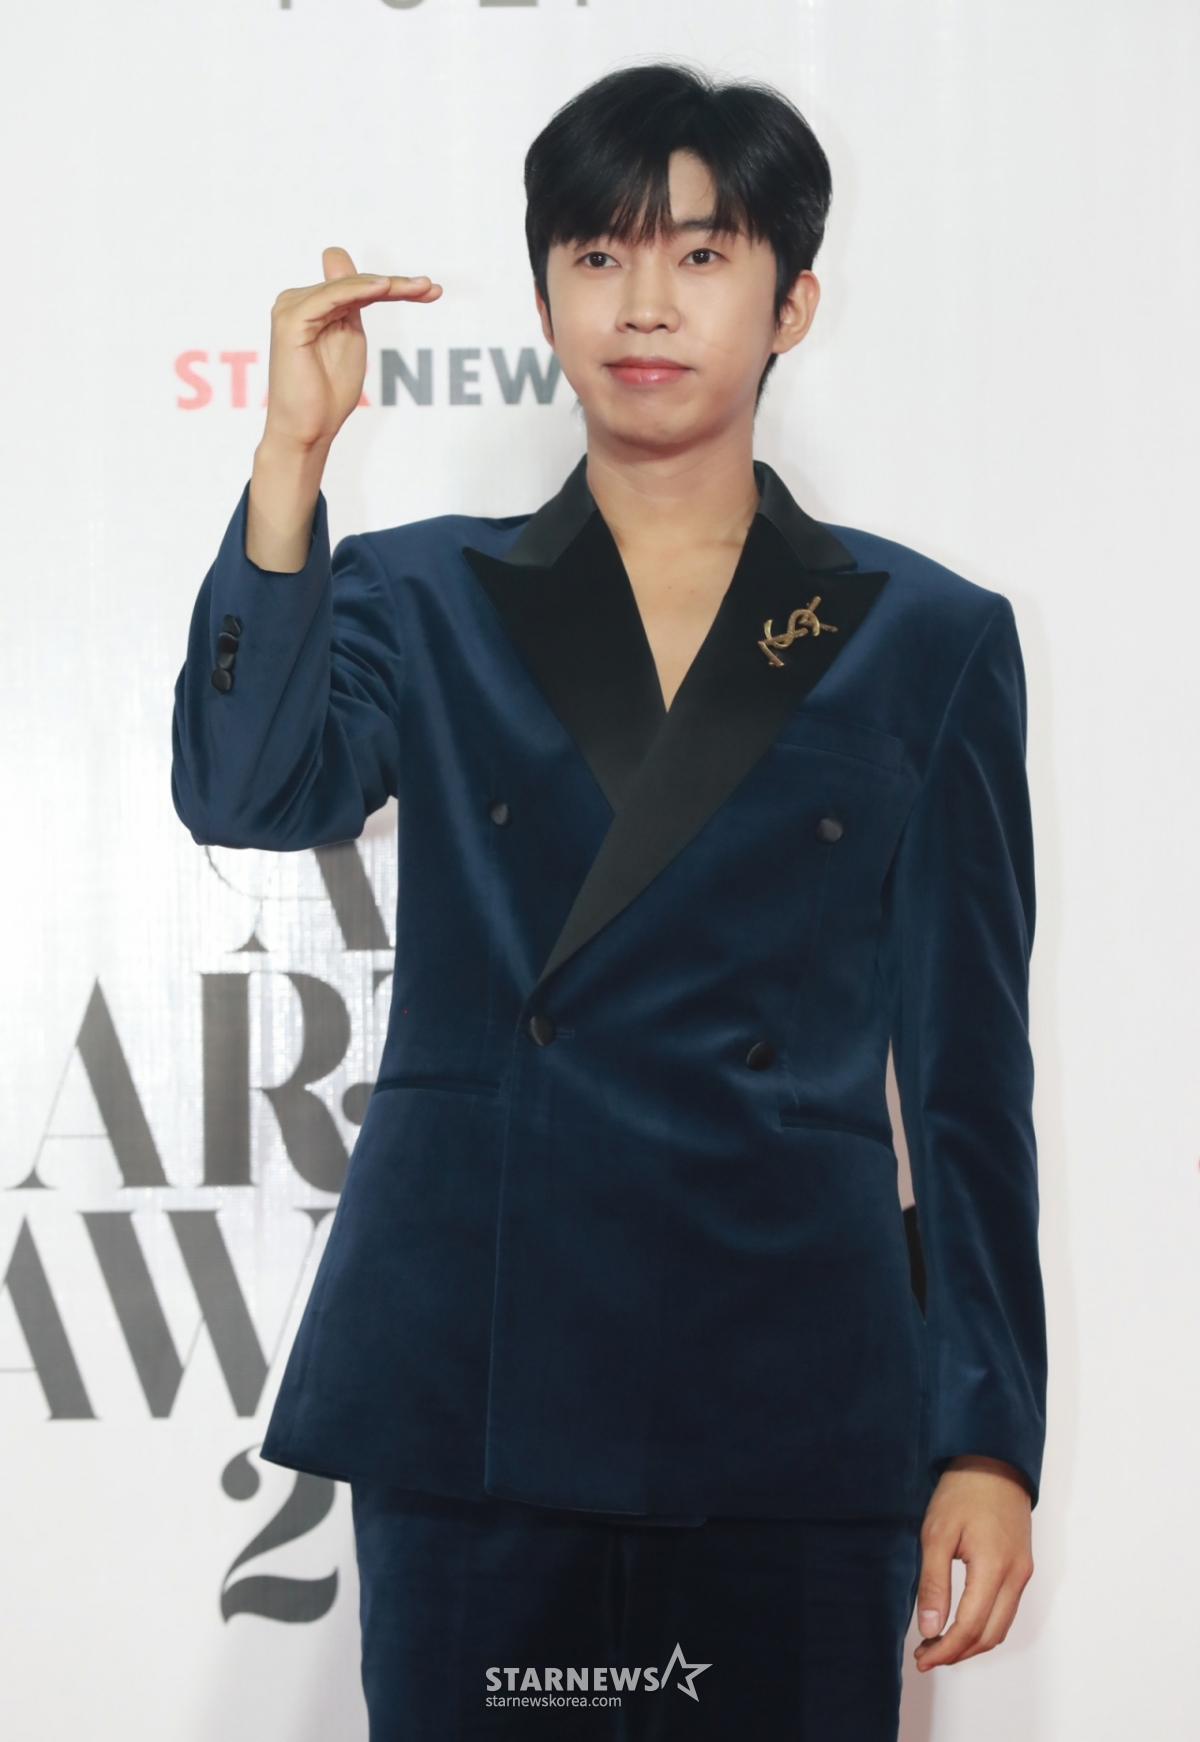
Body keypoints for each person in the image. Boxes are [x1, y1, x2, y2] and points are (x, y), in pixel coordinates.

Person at [172, 63, 1045, 1742]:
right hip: (483, 1390)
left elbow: (966, 1086)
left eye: (701, 255)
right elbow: (246, 788)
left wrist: (987, 1436)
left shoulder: (924, 638)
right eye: (598, 255)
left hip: (793, 1406)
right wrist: (291, 457)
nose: (645, 303)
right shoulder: (422, 593)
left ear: (793, 300)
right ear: (546, 299)